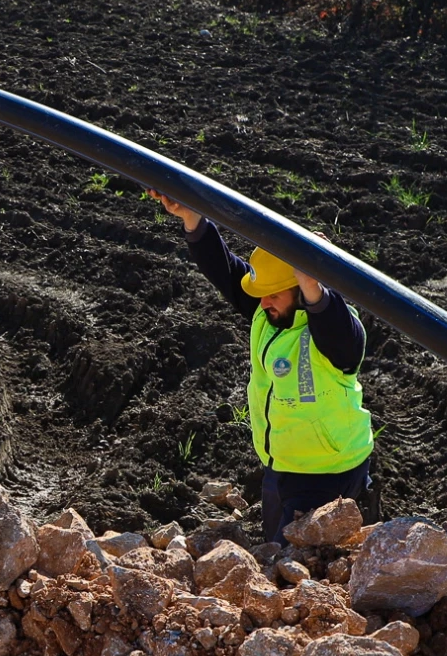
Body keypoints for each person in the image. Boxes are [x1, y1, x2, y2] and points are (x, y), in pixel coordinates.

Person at [153, 192, 374, 543]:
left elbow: (333, 323)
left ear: (302, 290)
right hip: (283, 464)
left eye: (274, 293)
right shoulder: (267, 312)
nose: (264, 301)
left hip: (327, 473)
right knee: (275, 551)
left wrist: (312, 280)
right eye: (262, 293)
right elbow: (224, 270)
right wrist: (192, 217)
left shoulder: (335, 333)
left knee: (298, 569)